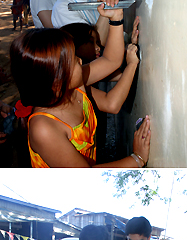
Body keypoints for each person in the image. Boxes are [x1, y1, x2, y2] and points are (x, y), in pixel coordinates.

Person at [10, 24, 151, 168]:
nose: (81, 61)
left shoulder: (73, 88)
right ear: (57, 80)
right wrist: (137, 159)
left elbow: (111, 95)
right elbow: (86, 177)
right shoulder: (43, 128)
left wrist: (117, 22)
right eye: (74, 60)